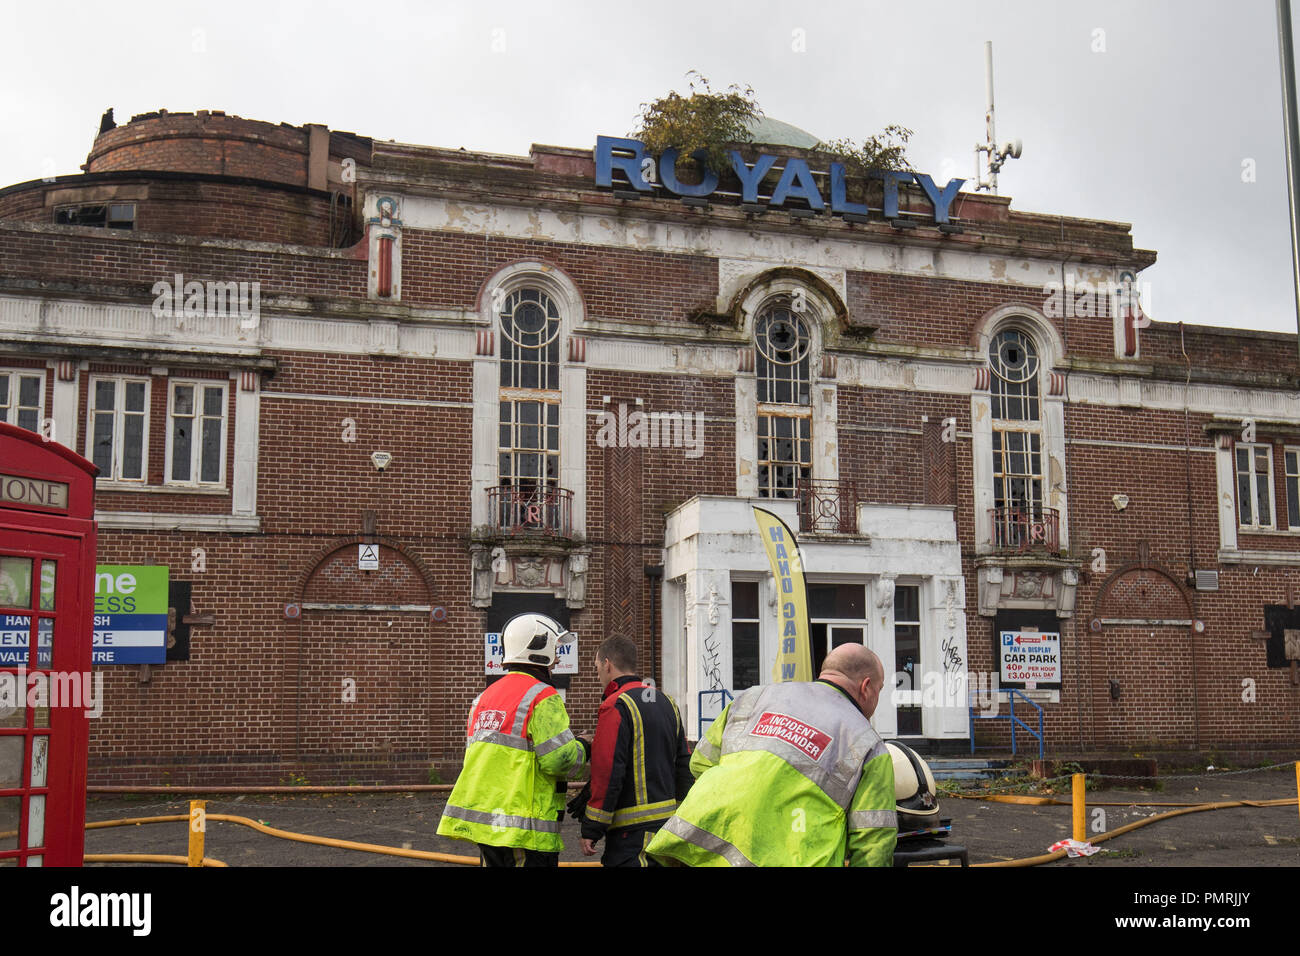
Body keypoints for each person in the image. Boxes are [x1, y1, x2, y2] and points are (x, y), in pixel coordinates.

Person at [646, 643, 896, 867]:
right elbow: (872, 842)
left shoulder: (754, 697)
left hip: (691, 848)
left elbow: (701, 763)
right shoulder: (868, 745)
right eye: (880, 689)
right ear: (866, 687)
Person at [437, 613, 589, 867]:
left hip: (488, 828)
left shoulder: (483, 699)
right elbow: (559, 760)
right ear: (539, 650)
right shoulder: (542, 696)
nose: (558, 658)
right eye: (555, 650)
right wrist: (585, 746)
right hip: (524, 831)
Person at [579, 635, 692, 867]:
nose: (598, 673)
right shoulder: (668, 702)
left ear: (608, 664)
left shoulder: (615, 704)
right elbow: (684, 764)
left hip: (631, 838)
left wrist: (592, 826)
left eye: (597, 666)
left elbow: (608, 771)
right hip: (667, 830)